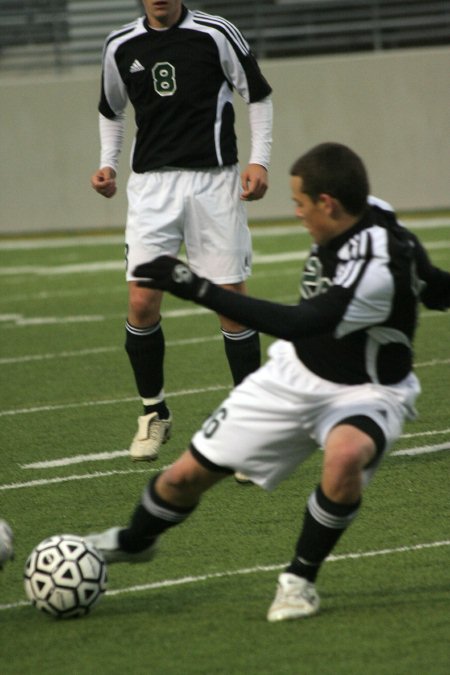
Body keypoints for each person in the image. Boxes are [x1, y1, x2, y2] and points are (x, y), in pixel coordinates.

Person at [85, 142, 450, 621]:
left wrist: (193, 285)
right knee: (183, 479)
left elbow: (300, 321)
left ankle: (299, 580)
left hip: (369, 390)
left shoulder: (377, 268)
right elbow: (434, 284)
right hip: (294, 374)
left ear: (328, 204)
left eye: (300, 204)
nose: (297, 214)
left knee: (344, 458)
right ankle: (134, 542)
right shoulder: (376, 214)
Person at [91, 0, 273, 463]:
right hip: (152, 188)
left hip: (214, 182)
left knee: (231, 301)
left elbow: (257, 94)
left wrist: (259, 159)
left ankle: (249, 429)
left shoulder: (215, 33)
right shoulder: (119, 45)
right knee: (141, 301)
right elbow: (112, 110)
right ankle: (154, 413)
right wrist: (106, 165)